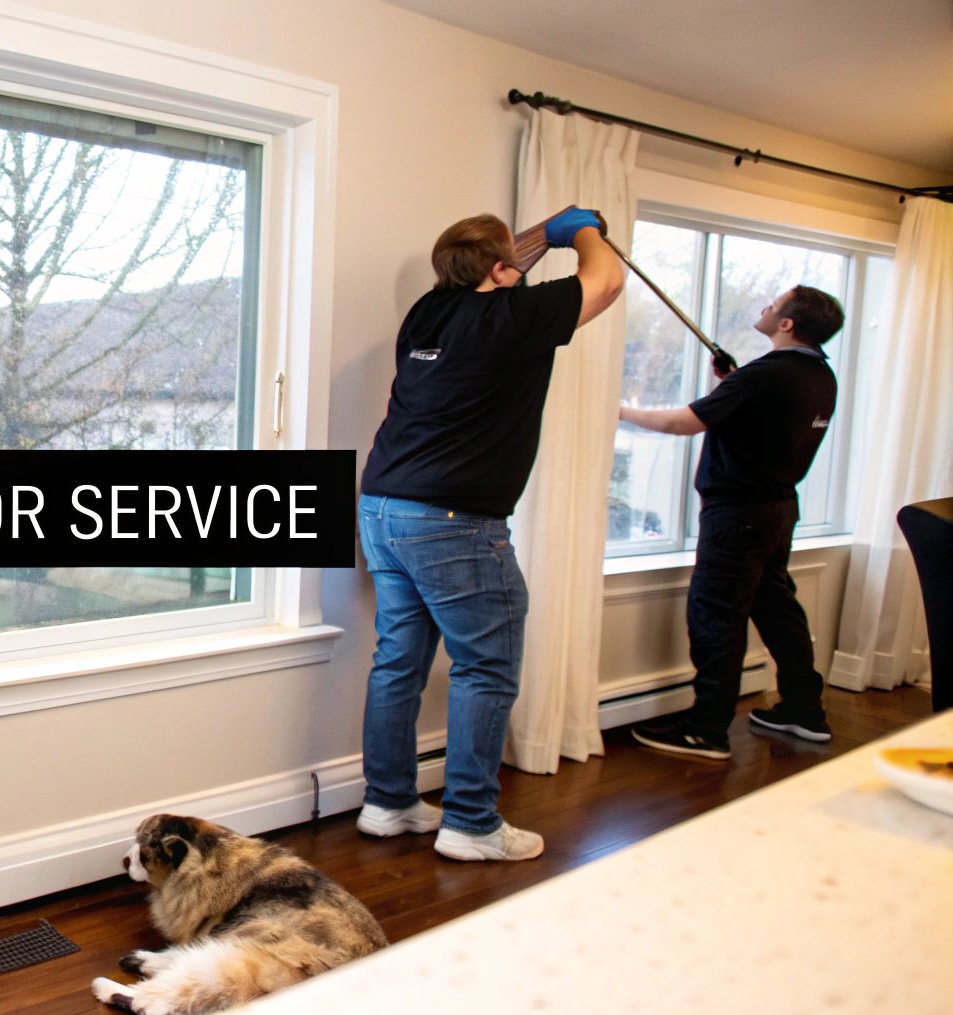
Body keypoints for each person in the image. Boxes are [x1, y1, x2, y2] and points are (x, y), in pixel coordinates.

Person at [355, 209, 623, 862]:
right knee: (486, 667)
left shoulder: (428, 312)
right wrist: (582, 233)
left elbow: (492, 264)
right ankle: (471, 824)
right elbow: (607, 279)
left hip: (383, 509)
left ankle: (388, 804)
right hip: (454, 522)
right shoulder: (512, 320)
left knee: (398, 661)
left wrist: (538, 234)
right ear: (501, 272)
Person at [622, 285, 844, 759]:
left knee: (716, 614)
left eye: (774, 304)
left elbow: (684, 422)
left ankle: (706, 729)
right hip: (778, 509)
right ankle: (805, 710)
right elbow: (762, 421)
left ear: (786, 324)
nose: (765, 306)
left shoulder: (767, 374)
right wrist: (730, 384)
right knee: (777, 609)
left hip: (738, 515)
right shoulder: (821, 376)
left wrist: (618, 412)